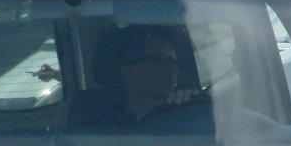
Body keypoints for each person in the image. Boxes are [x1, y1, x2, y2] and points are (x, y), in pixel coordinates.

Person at [68, 24, 204, 129]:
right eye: (156, 60)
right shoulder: (98, 126)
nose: (168, 68)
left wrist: (195, 106)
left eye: (171, 61)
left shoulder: (190, 113)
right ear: (125, 68)